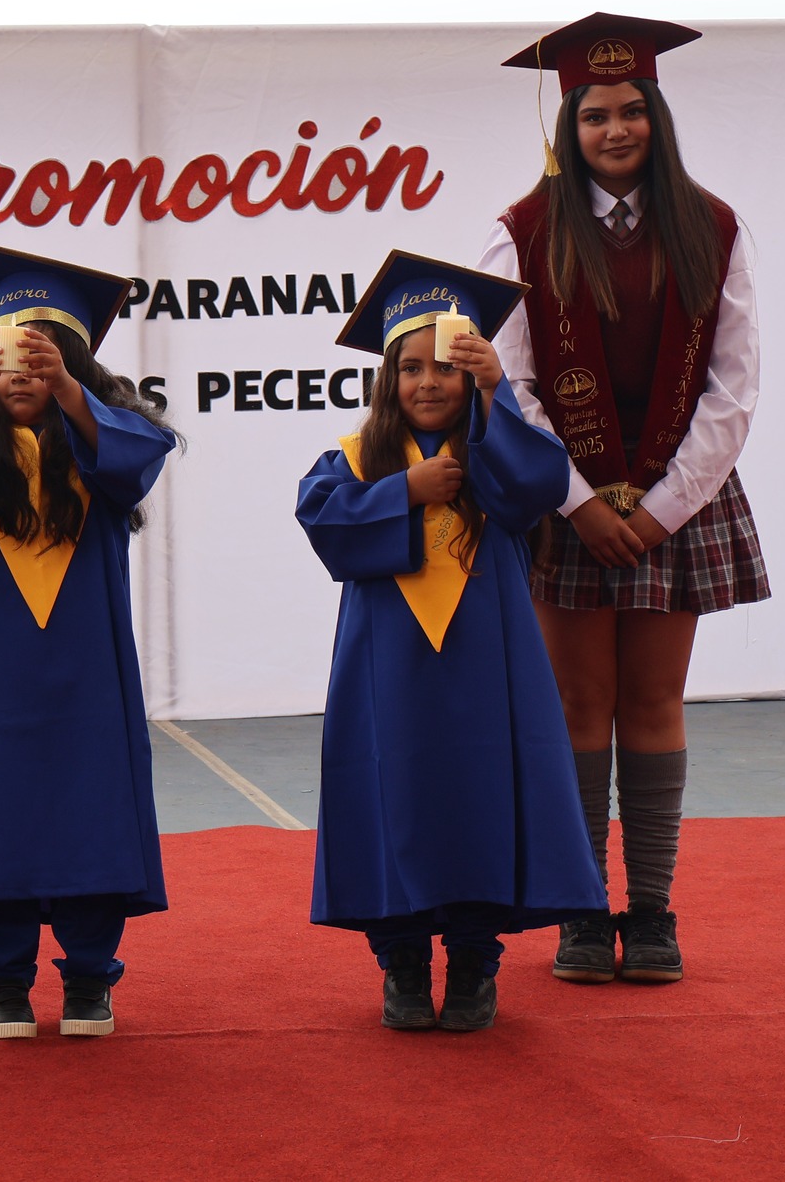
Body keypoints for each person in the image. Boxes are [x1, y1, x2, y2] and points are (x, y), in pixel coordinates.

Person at [481, 14, 769, 984]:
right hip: (564, 507)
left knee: (651, 702)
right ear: (565, 125)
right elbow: (508, 389)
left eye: (631, 110)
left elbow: (732, 388)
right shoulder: (518, 232)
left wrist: (658, 509)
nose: (615, 129)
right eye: (594, 114)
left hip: (674, 501)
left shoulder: (712, 225)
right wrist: (573, 501)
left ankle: (648, 912)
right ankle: (575, 908)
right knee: (577, 706)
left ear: (656, 115)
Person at [297, 253, 609, 1033]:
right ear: (386, 379)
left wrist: (500, 389)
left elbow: (538, 485)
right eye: (409, 367)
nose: (428, 381)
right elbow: (324, 521)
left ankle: (473, 960)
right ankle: (401, 960)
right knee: (388, 795)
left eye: (446, 366)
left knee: (482, 797)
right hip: (385, 673)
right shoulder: (357, 457)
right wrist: (405, 489)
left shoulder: (495, 447)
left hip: (487, 669)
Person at [0, 247, 176, 1040]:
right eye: (5, 350)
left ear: (74, 360)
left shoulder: (101, 439)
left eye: (41, 351)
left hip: (89, 678)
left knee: (93, 805)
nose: (22, 368)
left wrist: (73, 394)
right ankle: (3, 978)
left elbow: (141, 459)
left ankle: (89, 976)